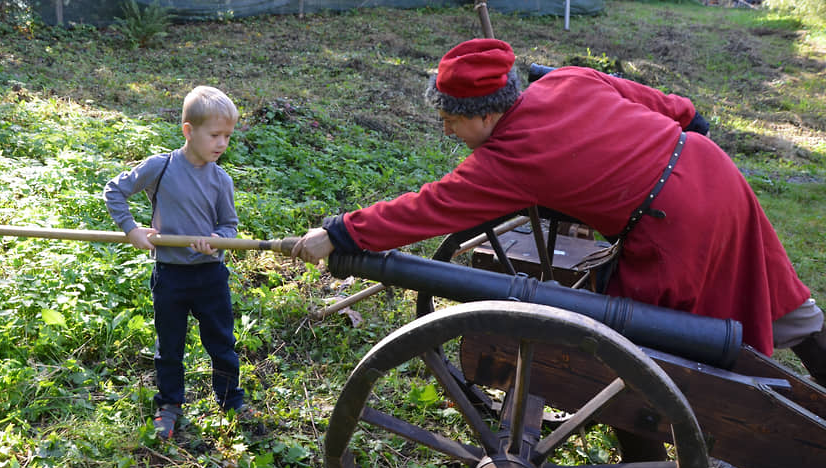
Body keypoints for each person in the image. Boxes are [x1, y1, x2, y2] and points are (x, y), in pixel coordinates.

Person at [292, 38, 826, 383]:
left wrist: (340, 233)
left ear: (483, 114)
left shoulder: (506, 160)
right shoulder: (569, 78)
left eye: (450, 119)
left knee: (626, 355)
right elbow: (678, 111)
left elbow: (428, 209)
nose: (446, 130)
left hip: (671, 223)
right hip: (712, 171)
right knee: (778, 293)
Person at [104, 85, 259, 440]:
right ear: (189, 131)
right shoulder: (161, 168)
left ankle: (230, 399)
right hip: (170, 275)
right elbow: (115, 191)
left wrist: (217, 241)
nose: (222, 144)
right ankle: (169, 403)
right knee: (169, 344)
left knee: (221, 341)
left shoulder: (221, 179)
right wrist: (131, 230)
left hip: (210, 276)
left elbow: (228, 225)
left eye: (227, 136)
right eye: (214, 135)